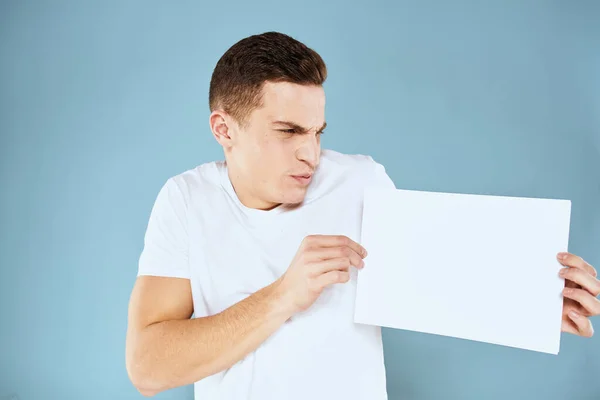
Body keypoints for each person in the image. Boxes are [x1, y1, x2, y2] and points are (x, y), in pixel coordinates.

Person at [125, 31, 600, 399]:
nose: (310, 154)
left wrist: (529, 302)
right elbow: (147, 368)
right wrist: (284, 295)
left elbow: (432, 283)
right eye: (289, 131)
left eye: (317, 131)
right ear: (223, 128)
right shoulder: (185, 201)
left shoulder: (360, 183)